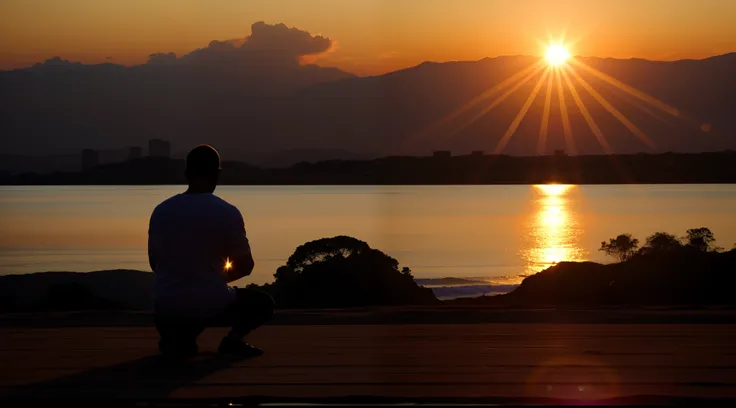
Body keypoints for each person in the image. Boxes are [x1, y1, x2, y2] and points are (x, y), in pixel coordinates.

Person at [148, 144, 273, 360]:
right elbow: (246, 265)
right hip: (209, 302)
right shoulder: (227, 212)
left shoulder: (161, 210)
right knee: (263, 303)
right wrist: (216, 279)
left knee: (181, 341)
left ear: (186, 174)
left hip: (166, 306)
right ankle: (232, 341)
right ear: (217, 175)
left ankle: (177, 338)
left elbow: (154, 263)